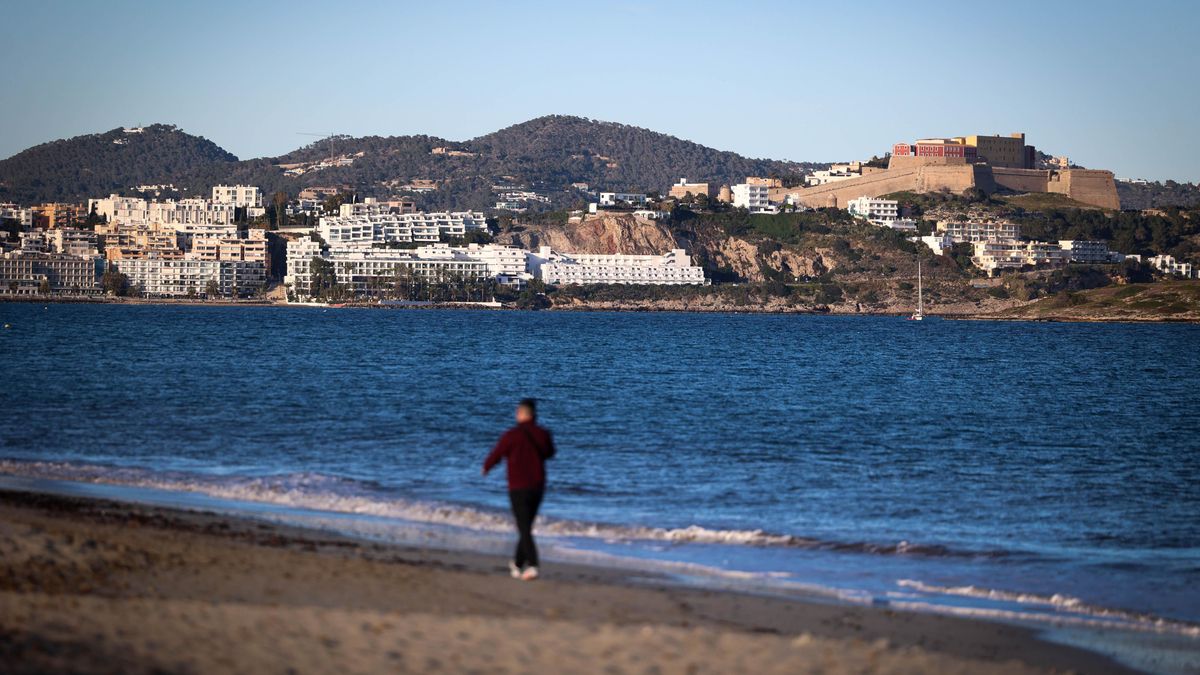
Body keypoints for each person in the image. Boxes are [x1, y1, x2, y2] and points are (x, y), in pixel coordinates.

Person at [482, 398, 556, 581]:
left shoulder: (511, 435)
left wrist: (486, 467)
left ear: (522, 414)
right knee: (526, 526)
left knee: (524, 527)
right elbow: (550, 453)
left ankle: (533, 564)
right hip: (538, 486)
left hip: (518, 486)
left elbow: (497, 454)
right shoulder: (543, 434)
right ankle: (516, 563)